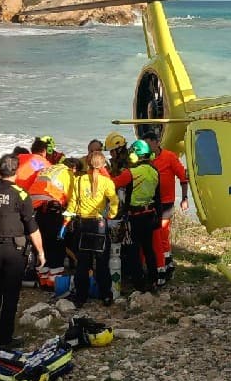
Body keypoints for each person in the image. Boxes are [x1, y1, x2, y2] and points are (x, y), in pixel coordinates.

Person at [0, 154, 45, 349]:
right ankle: (5, 338)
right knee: (11, 294)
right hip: (14, 251)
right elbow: (32, 227)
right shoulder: (20, 194)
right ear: (15, 171)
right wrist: (40, 252)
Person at [67, 150, 119, 307]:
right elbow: (114, 200)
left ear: (88, 163)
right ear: (103, 165)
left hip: (83, 224)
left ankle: (80, 297)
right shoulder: (107, 182)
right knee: (102, 263)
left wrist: (68, 218)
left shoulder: (79, 180)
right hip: (99, 225)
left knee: (83, 264)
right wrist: (111, 214)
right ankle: (106, 296)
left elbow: (73, 202)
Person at [142, 129, 187, 282]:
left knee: (162, 234)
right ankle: (158, 266)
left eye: (149, 145)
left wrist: (185, 197)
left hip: (166, 202)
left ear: (157, 142)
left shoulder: (169, 157)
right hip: (150, 202)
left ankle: (167, 266)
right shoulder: (145, 159)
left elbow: (183, 177)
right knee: (153, 236)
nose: (147, 148)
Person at [124, 140, 162, 291]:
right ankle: (153, 280)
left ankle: (138, 282)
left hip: (134, 216)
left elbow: (113, 184)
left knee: (133, 250)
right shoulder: (154, 171)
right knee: (148, 249)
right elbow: (157, 195)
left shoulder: (131, 173)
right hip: (150, 215)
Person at [28, 157, 79, 270]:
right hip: (52, 209)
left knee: (44, 244)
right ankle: (53, 281)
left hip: (35, 209)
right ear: (74, 168)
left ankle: (43, 279)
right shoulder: (68, 173)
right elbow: (72, 199)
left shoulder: (48, 169)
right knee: (56, 246)